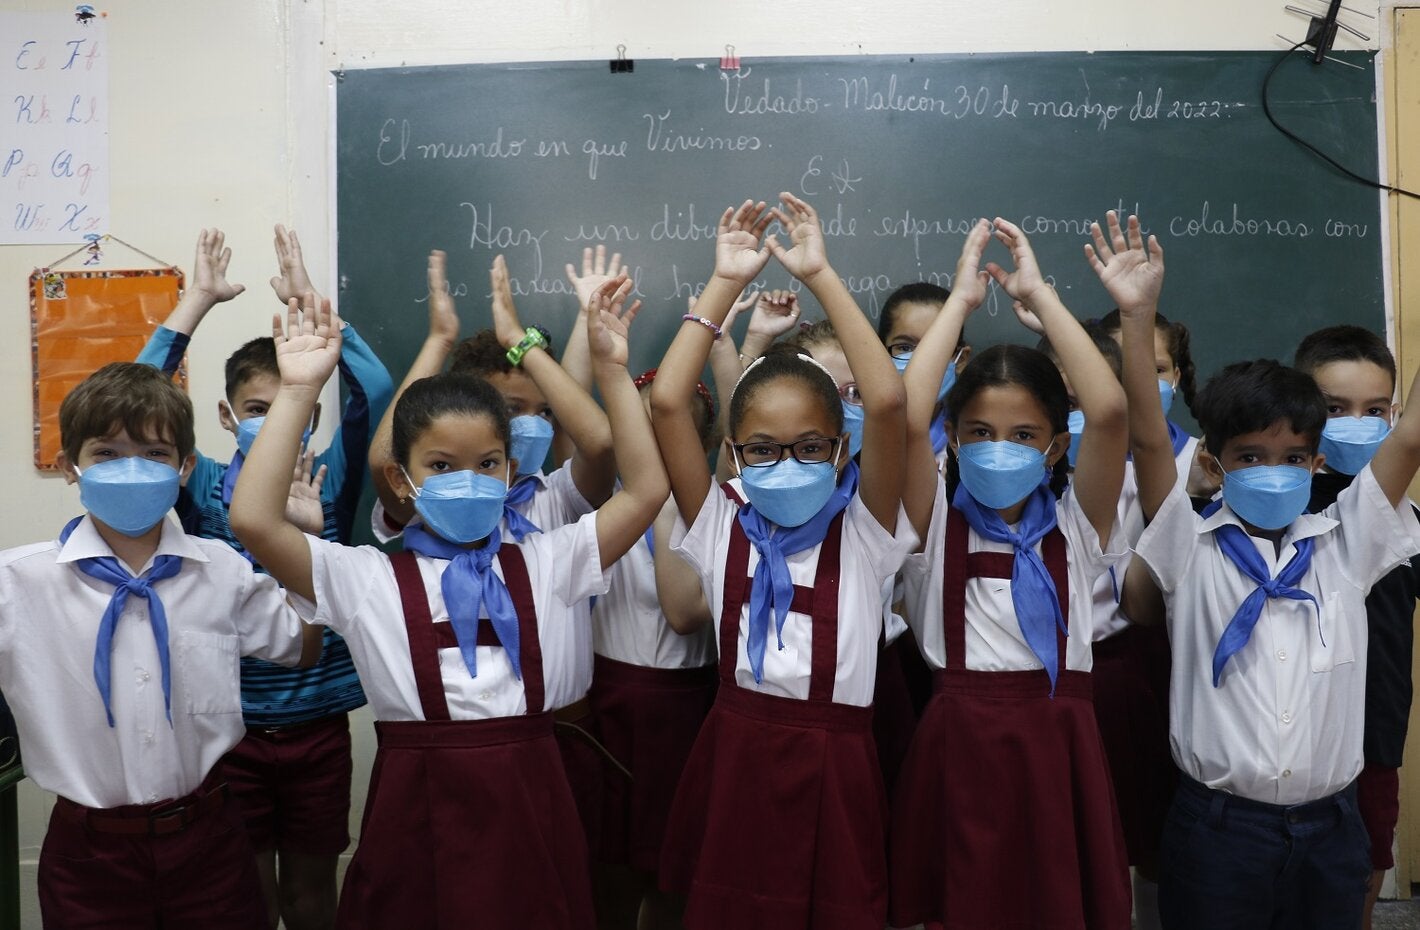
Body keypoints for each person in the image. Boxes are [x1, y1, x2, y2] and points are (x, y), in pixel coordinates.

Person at [229, 276, 666, 929]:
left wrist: (612, 370)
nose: (469, 480)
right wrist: (296, 391)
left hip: (534, 802)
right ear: (401, 479)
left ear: (510, 472)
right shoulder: (367, 578)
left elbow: (647, 489)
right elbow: (255, 521)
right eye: (441, 465)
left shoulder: (550, 560)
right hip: (416, 816)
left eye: (487, 464)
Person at [1109, 212, 1420, 930]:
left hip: (1331, 826)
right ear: (1214, 464)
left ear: (1317, 463)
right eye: (1250, 456)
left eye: (1292, 458)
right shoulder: (1189, 545)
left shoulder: (1348, 543)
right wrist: (1137, 315)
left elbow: (1409, 438)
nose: (1272, 472)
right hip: (1217, 831)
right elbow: (1148, 439)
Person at [650, 194, 915, 930]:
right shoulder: (721, 519)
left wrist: (821, 275)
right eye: (764, 450)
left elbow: (889, 404)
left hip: (839, 763)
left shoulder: (867, 529)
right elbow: (668, 403)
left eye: (810, 447)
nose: (787, 462)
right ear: (735, 456)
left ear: (840, 449)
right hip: (736, 752)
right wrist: (723, 283)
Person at [0, 361, 321, 928]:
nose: (132, 469)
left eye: (154, 453)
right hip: (89, 852)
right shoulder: (16, 583)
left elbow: (301, 646)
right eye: (106, 453)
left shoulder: (221, 570)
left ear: (184, 467)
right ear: (70, 467)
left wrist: (301, 541)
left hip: (210, 840)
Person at [137, 226, 393, 930]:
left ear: (311, 416)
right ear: (226, 416)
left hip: (318, 727)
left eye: (291, 409)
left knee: (313, 893)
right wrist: (195, 303)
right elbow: (136, 402)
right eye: (257, 410)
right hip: (230, 728)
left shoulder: (330, 482)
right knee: (244, 896)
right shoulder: (199, 488)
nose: (276, 421)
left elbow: (376, 390)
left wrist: (312, 304)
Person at [890, 217, 1132, 930]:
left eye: (1024, 435)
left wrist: (1042, 297)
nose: (1001, 449)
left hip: (1059, 745)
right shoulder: (932, 521)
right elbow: (906, 414)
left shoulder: (1077, 525)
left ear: (1055, 448)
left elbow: (1109, 410)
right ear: (953, 441)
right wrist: (960, 302)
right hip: (959, 742)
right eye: (980, 433)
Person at [560, 249, 721, 930]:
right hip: (606, 703)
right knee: (606, 872)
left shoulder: (712, 516)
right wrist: (585, 322)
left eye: (670, 432)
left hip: (685, 709)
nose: (651, 441)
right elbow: (569, 420)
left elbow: (685, 615)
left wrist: (667, 502)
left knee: (672, 874)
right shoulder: (595, 504)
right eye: (641, 425)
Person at [1294, 324, 1420, 930]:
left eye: (1375, 410)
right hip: (1296, 732)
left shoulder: (1408, 519)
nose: (1356, 424)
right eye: (1335, 409)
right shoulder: (1277, 506)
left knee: (1365, 865)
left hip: (1374, 734)